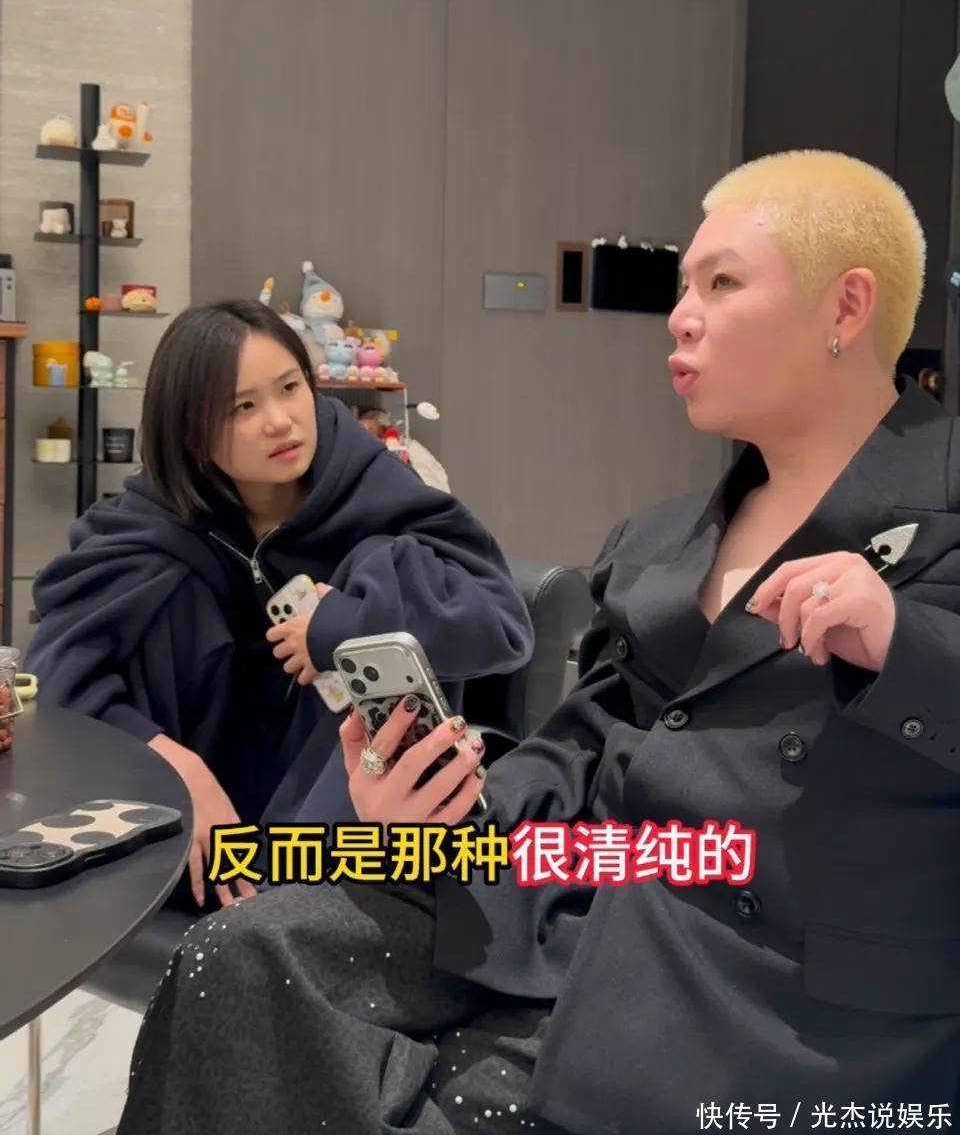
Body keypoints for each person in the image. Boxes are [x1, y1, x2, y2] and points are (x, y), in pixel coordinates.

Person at [117, 150, 960, 1134]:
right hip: (586, 908)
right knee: (237, 958)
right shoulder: (656, 543)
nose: (681, 317)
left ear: (846, 307)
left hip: (788, 999)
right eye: (683, 287)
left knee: (443, 1098)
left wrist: (900, 642)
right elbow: (577, 748)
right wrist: (445, 812)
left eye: (722, 284)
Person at [27, 301, 533, 908]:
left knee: (390, 570)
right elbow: (56, 677)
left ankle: (295, 907)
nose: (280, 421)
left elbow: (501, 623)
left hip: (348, 834)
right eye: (242, 407)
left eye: (290, 388)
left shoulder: (370, 489)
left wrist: (336, 629)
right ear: (188, 429)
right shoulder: (150, 527)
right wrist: (173, 769)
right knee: (166, 597)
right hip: (196, 831)